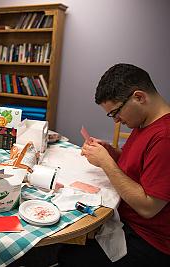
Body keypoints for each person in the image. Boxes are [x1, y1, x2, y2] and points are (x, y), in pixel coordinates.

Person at [59, 63, 170, 266]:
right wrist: (113, 152)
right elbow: (139, 167)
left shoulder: (165, 137)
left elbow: (148, 208)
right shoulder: (144, 122)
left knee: (70, 257)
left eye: (116, 112)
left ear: (139, 97)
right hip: (127, 218)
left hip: (150, 240)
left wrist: (106, 162)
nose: (116, 121)